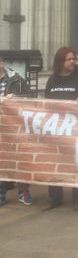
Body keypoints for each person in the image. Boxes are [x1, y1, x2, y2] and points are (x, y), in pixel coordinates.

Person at [43, 47, 78, 211]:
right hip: (56, 129)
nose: (72, 62)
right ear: (60, 61)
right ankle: (55, 198)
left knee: (74, 163)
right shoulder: (52, 80)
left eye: (74, 59)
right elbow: (47, 104)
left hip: (75, 129)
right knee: (54, 162)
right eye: (69, 59)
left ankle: (77, 199)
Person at [0, 56, 33, 206]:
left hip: (14, 127)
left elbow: (31, 99)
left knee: (19, 160)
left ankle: (23, 193)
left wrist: (16, 98)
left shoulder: (17, 80)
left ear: (2, 64)